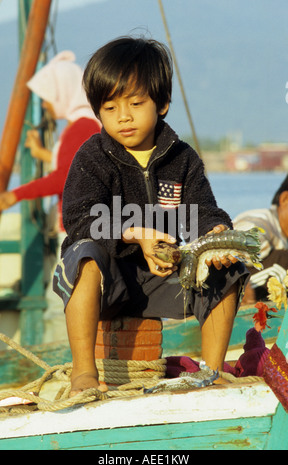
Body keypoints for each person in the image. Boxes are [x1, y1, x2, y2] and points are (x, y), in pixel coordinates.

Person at [53, 37, 249, 396]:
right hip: (107, 284)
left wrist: (216, 233)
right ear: (98, 111)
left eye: (135, 103)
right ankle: (83, 373)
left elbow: (201, 212)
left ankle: (210, 371)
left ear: (163, 104)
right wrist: (134, 234)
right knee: (84, 255)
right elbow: (78, 218)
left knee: (229, 267)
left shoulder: (182, 158)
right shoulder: (92, 157)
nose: (123, 116)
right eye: (110, 107)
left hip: (161, 281)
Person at [0, 51, 101, 341]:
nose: (44, 104)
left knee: (62, 305)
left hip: (76, 233)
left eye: (47, 97)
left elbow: (64, 177)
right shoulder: (85, 125)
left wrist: (13, 196)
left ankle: (67, 368)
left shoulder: (81, 127)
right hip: (83, 229)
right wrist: (42, 152)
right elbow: (71, 165)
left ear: (62, 92)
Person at [233, 174, 288, 304]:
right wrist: (240, 282)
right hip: (237, 293)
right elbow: (238, 240)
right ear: (285, 199)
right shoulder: (262, 220)